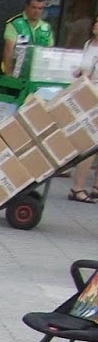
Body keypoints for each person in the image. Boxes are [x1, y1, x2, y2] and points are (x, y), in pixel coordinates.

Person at [70, 17, 98, 203]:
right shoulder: (89, 44)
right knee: (90, 143)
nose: (96, 25)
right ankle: (77, 187)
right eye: (96, 22)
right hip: (87, 96)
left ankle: (96, 186)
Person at [3, 0, 53, 80]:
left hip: (38, 75)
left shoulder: (46, 27)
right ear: (26, 7)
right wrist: (8, 74)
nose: (37, 11)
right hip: (18, 74)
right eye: (34, 8)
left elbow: (49, 52)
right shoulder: (15, 24)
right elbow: (8, 50)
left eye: (40, 8)